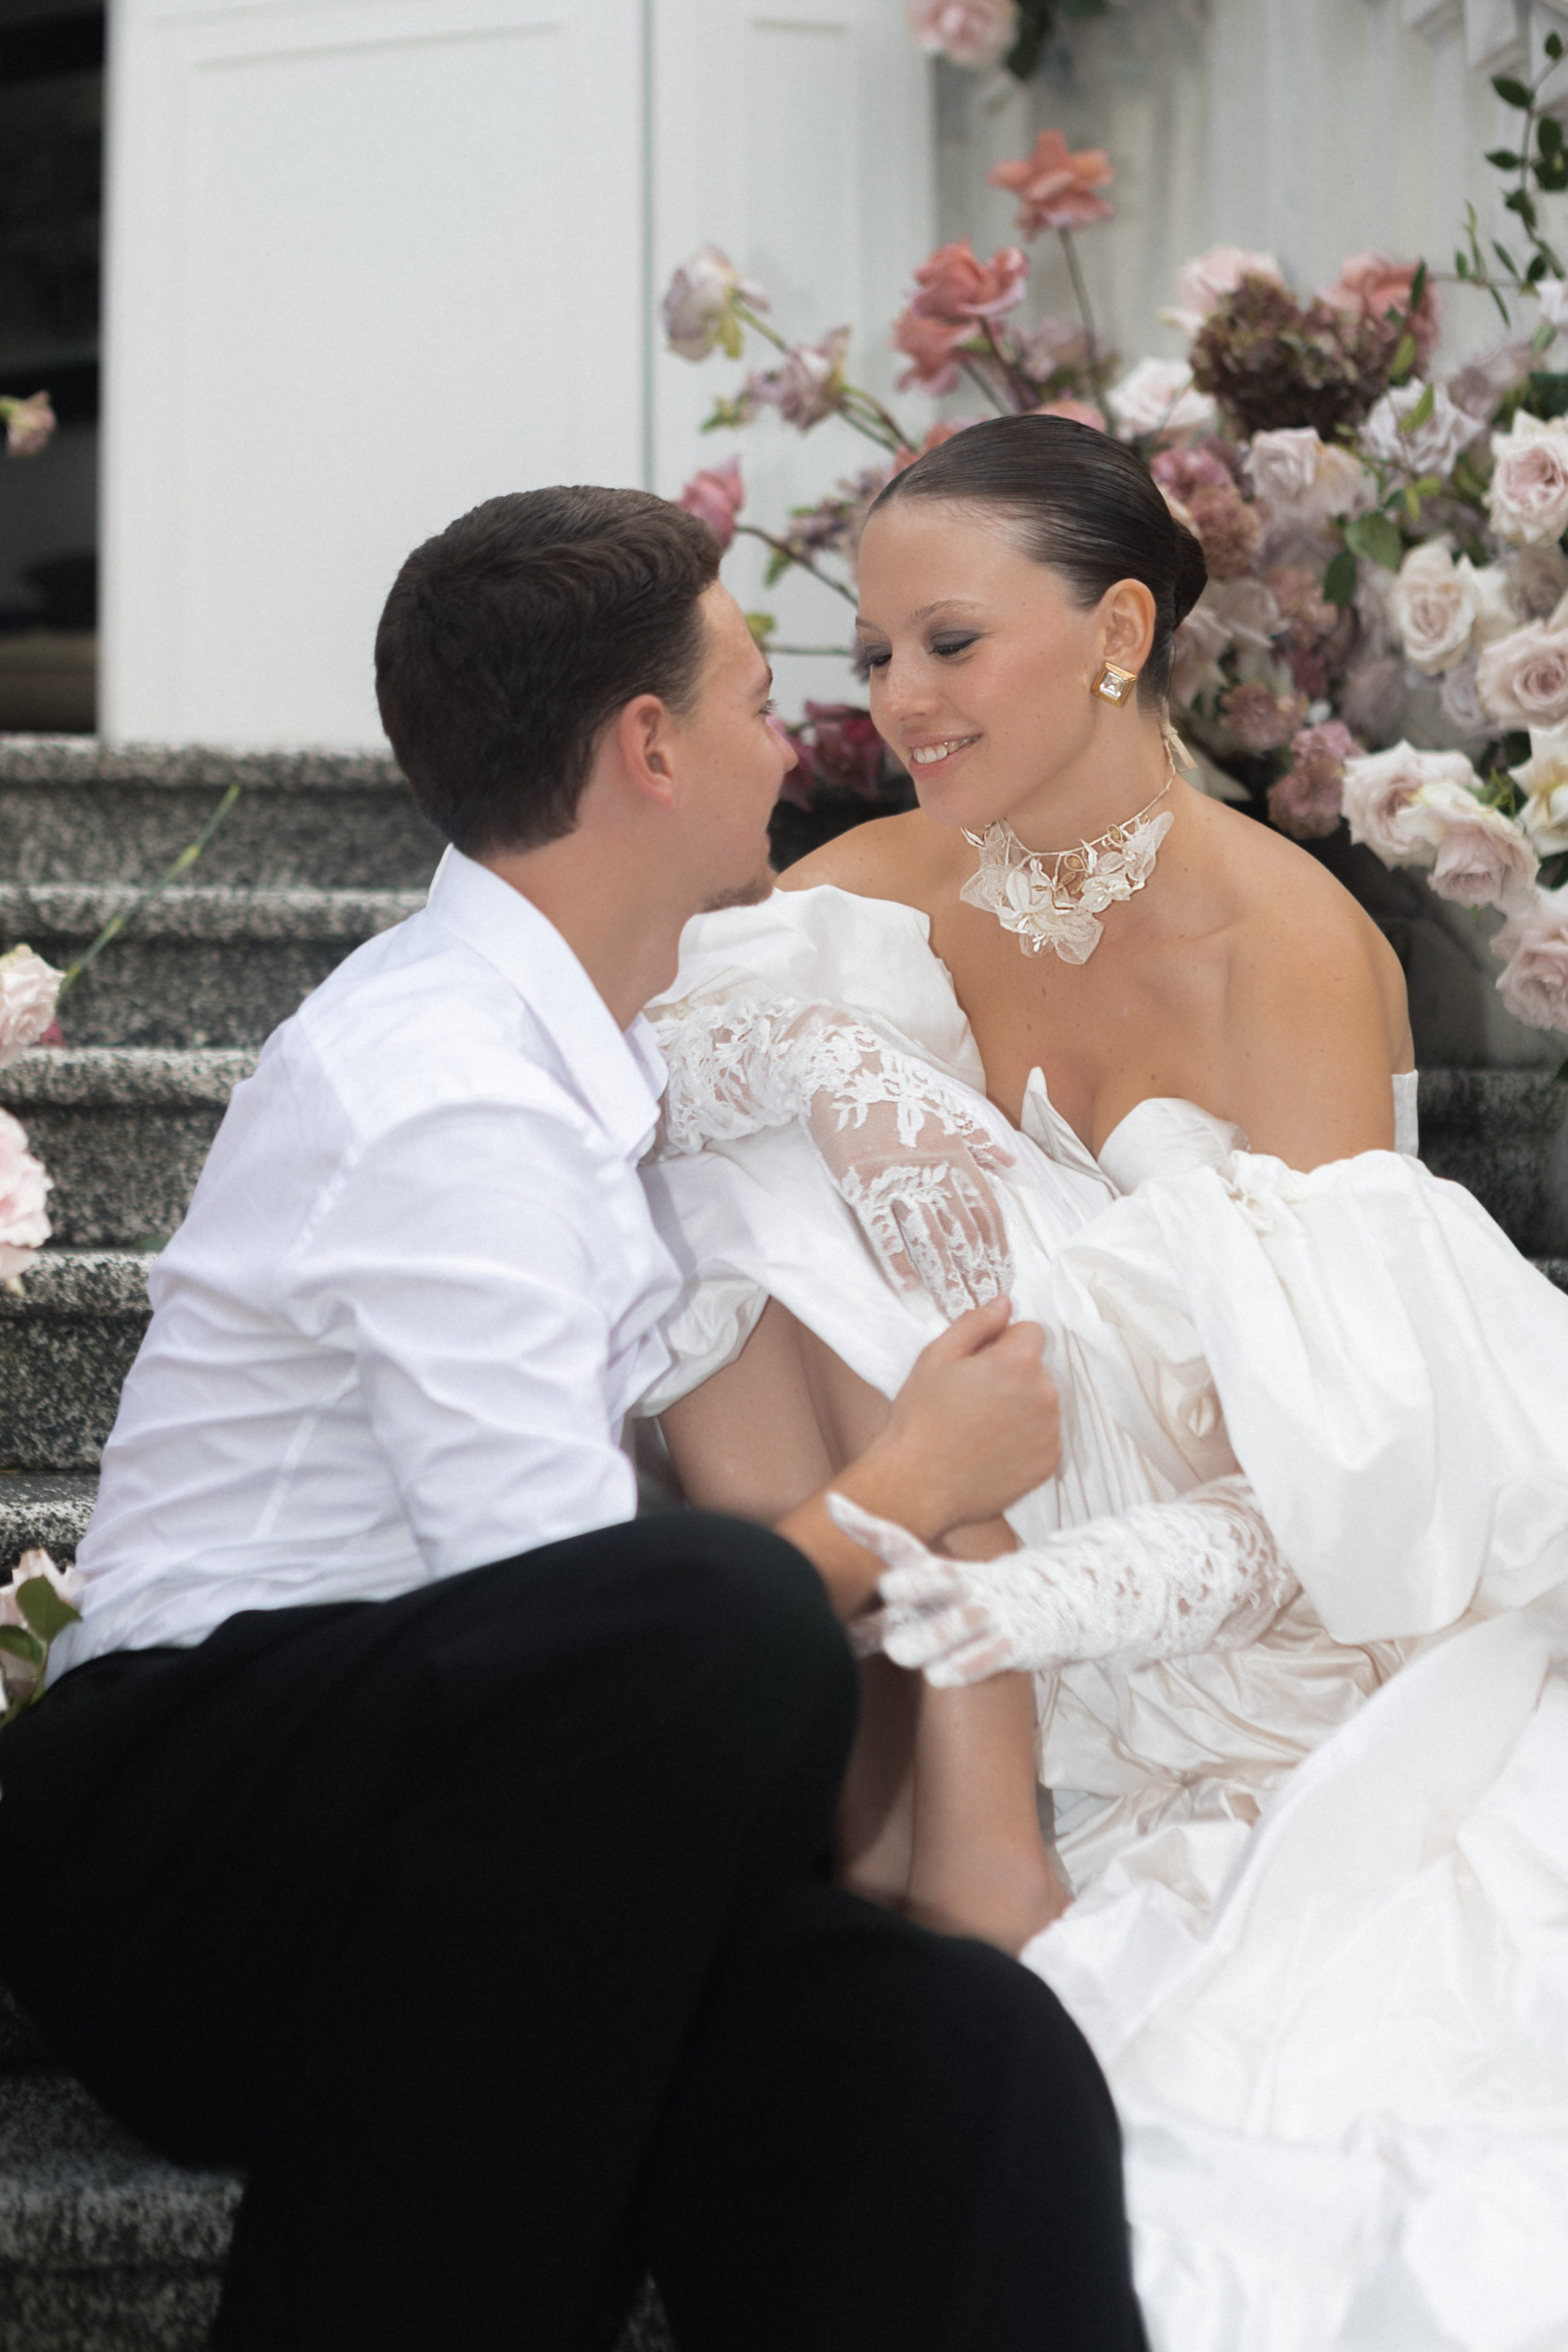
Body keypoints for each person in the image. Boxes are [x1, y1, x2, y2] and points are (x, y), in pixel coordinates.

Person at [0, 486, 1151, 2352]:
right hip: (198, 1840)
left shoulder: (591, 1062)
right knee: (703, 1621)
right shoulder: (441, 1086)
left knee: (966, 2055)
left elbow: (595, 1728)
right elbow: (583, 1649)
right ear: (647, 747)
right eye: (757, 696)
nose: (797, 739)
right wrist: (916, 1487)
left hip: (487, 1873)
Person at [635, 415, 1568, 2345]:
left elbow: (1337, 1476)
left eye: (950, 645)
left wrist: (1037, 1582)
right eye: (876, 656)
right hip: (936, 1494)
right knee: (744, 1098)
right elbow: (651, 1118)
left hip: (1239, 1591)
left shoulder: (1282, 951)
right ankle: (881, 1779)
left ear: (1123, 629)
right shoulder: (875, 885)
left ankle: (948, 1786)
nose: (898, 700)